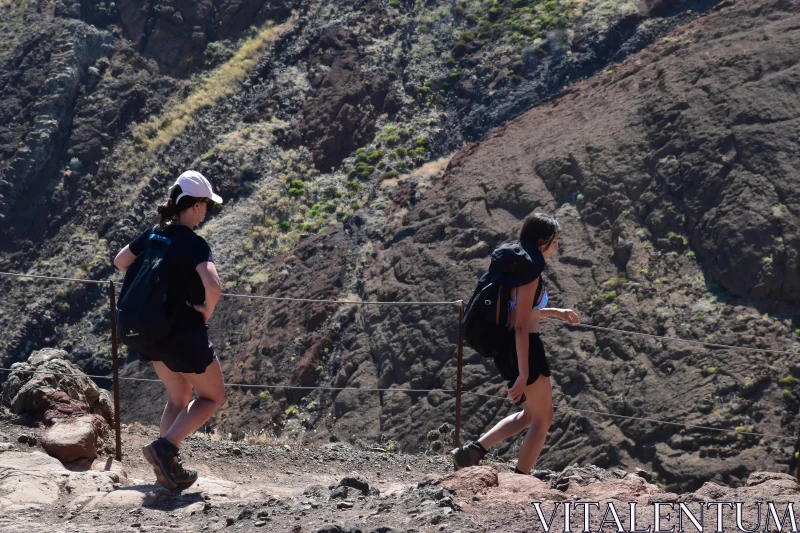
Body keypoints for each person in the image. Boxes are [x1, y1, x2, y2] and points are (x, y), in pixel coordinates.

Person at [113, 170, 225, 489]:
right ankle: (165, 448)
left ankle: (166, 469)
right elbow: (213, 285)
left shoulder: (153, 234)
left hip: (152, 334)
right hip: (183, 335)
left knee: (178, 398)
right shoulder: (193, 242)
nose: (206, 211)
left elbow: (121, 261)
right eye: (206, 204)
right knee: (212, 396)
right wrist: (206, 310)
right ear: (194, 206)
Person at [451, 213, 580, 474]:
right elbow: (521, 325)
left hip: (508, 347)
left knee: (530, 415)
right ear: (542, 241)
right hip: (525, 350)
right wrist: (522, 374)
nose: (557, 246)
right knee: (544, 419)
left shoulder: (515, 265)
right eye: (555, 241)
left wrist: (555, 312)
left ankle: (472, 452)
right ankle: (522, 478)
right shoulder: (530, 272)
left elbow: (517, 312)